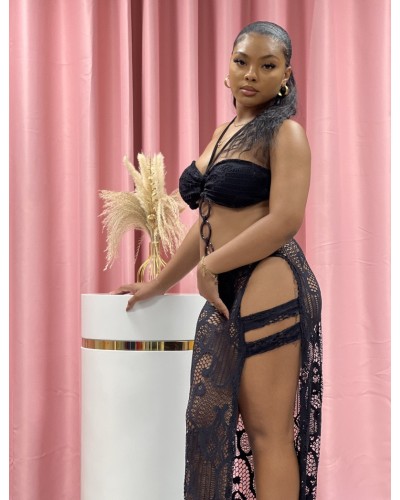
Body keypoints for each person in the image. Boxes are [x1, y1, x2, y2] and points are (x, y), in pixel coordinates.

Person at [112, 21, 323, 500]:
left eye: (267, 65)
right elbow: (208, 222)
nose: (251, 74)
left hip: (270, 276)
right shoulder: (224, 133)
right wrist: (160, 282)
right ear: (228, 68)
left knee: (268, 432)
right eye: (241, 61)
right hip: (228, 280)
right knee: (210, 415)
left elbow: (285, 220)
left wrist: (211, 266)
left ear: (285, 75)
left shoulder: (286, 134)